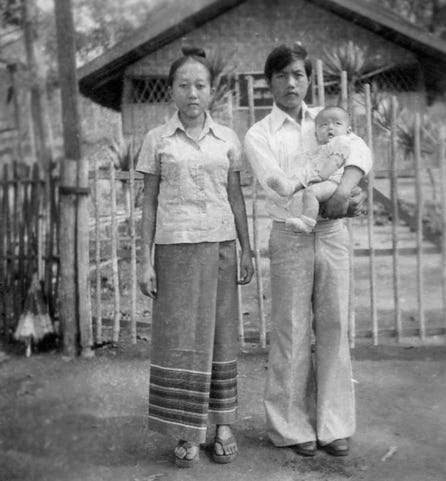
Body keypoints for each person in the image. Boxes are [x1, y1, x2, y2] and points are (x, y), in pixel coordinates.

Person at [244, 44, 371, 458]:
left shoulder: (330, 121)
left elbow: (360, 156)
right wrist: (318, 194)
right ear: (270, 83)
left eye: (298, 74)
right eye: (282, 75)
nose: (291, 82)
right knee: (291, 329)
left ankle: (333, 425)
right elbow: (274, 182)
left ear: (308, 79)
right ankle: (291, 426)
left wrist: (346, 193)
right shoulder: (259, 134)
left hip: (332, 232)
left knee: (334, 325)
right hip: (291, 232)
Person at [137, 46, 254, 468]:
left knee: (222, 332)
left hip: (221, 246)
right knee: (180, 339)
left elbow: (236, 197)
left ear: (211, 91)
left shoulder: (228, 139)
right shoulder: (157, 140)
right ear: (171, 91)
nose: (192, 93)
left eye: (199, 85)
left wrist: (246, 248)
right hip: (174, 250)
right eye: (183, 85)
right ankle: (186, 430)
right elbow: (148, 204)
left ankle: (222, 424)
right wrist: (145, 261)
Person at [266, 106, 371, 233]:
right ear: (316, 134)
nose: (330, 127)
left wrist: (321, 177)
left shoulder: (341, 142)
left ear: (348, 131)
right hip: (322, 176)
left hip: (334, 180)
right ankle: (289, 186)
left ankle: (307, 222)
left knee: (311, 193)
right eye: (323, 125)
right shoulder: (321, 148)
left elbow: (335, 161)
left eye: (337, 124)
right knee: (302, 171)